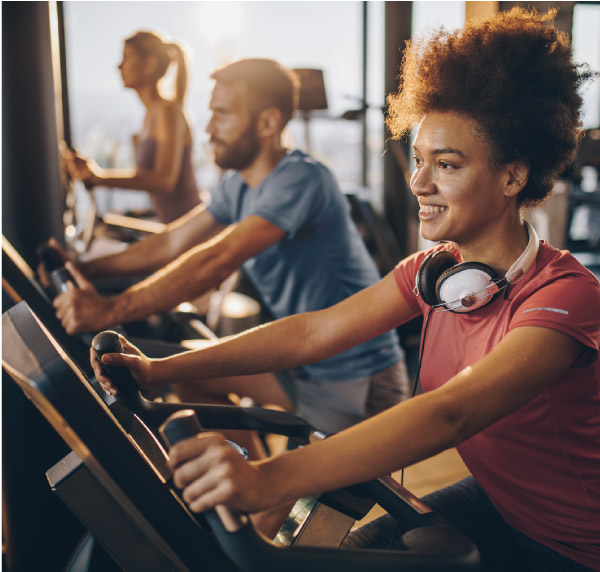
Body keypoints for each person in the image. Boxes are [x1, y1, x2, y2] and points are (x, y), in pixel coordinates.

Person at [92, 9, 600, 572]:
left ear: (513, 176)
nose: (419, 184)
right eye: (419, 160)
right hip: (497, 504)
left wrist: (267, 479)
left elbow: (450, 413)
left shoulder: (568, 297)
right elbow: (315, 331)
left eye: (447, 165)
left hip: (574, 543)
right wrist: (159, 370)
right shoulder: (432, 272)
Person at [54, 58, 408, 438]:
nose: (208, 128)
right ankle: (247, 491)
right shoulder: (238, 185)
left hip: (356, 378)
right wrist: (85, 269)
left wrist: (110, 309)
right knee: (195, 376)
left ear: (268, 123)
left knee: (314, 489)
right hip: (301, 363)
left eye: (221, 115)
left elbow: (217, 259)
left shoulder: (302, 178)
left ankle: (260, 492)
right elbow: (173, 240)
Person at [67, 30, 201, 223]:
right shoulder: (150, 116)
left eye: (126, 58)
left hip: (189, 227)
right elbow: (146, 179)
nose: (119, 66)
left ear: (149, 65)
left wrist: (100, 177)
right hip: (170, 226)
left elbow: (164, 181)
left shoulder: (167, 111)